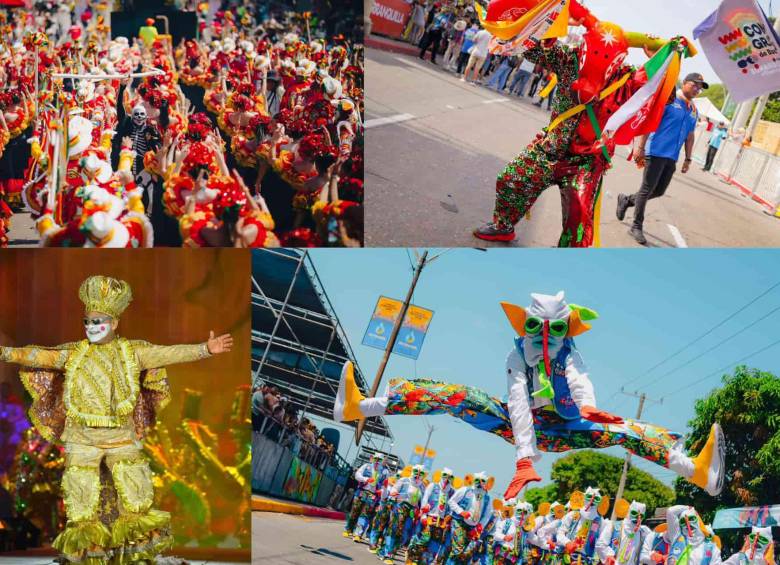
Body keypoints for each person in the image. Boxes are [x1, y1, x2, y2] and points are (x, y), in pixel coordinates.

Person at [335, 291, 726, 502]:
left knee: (629, 430)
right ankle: (360, 406)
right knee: (457, 395)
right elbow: (518, 403)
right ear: (526, 325)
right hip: (521, 426)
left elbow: (579, 380)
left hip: (565, 428)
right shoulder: (516, 356)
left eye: (554, 329)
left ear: (565, 329)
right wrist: (524, 457)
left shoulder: (569, 354)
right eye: (537, 327)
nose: (544, 337)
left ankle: (697, 472)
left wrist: (587, 406)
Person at [0, 275, 233, 564]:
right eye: (88, 322)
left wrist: (204, 349)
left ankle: (133, 557)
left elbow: (166, 353)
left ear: (114, 323)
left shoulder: (132, 352)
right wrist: (6, 353)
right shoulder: (73, 353)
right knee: (81, 501)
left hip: (120, 437)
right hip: (81, 438)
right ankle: (86, 556)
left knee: (135, 496)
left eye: (99, 322)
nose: (92, 327)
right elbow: (38, 355)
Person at [616, 73, 704, 245]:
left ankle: (626, 200)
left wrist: (688, 158)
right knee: (647, 189)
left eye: (700, 87)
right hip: (655, 151)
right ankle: (636, 226)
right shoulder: (669, 100)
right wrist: (640, 147)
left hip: (671, 156)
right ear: (684, 83)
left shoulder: (693, 110)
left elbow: (690, 135)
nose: (697, 89)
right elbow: (650, 122)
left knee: (659, 191)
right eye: (695, 85)